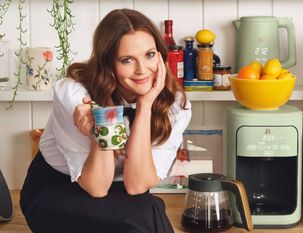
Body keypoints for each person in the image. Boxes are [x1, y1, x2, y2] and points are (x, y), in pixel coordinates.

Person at [20, 8, 191, 233]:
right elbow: (96, 187)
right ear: (108, 63)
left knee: (146, 210)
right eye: (127, 60)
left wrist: (145, 106)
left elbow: (137, 185)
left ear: (160, 55)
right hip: (56, 191)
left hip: (122, 192)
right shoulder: (74, 94)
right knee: (146, 213)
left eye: (149, 55)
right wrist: (98, 130)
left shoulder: (175, 104)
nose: (142, 70)